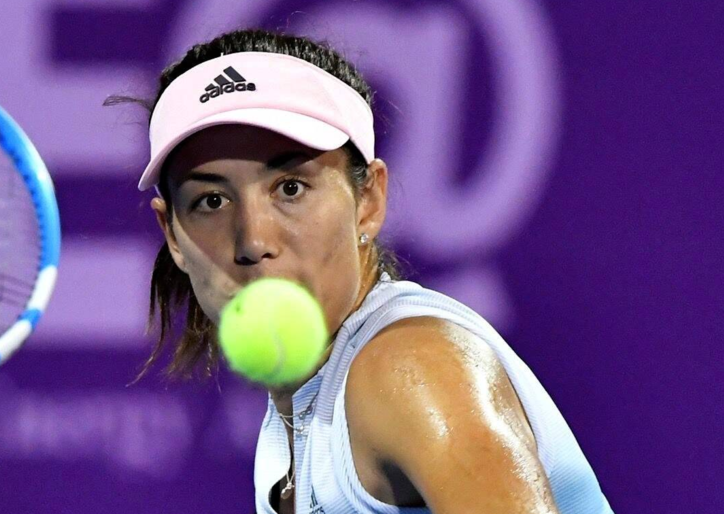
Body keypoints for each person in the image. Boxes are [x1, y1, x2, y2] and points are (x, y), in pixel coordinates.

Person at [112, 29, 613, 514]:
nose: (253, 241)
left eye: (290, 188)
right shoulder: (289, 429)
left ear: (368, 201)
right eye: (211, 200)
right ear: (172, 234)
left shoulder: (407, 368)